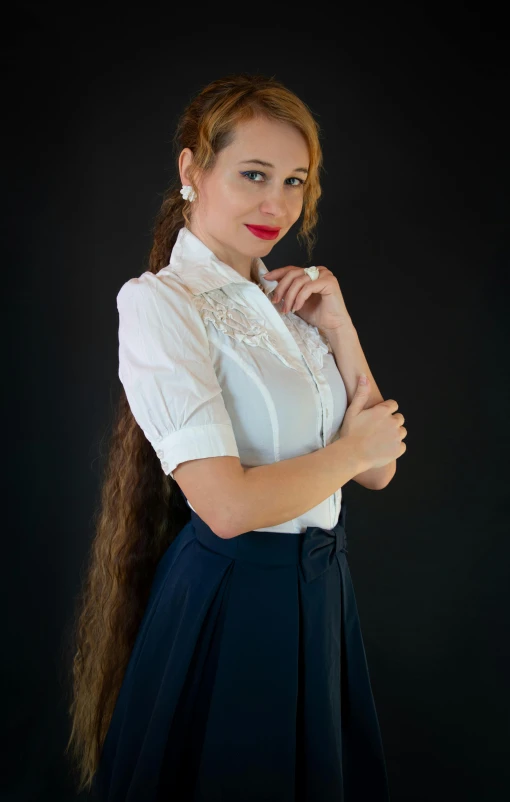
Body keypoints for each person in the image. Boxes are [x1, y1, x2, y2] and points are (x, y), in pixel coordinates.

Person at [65, 72, 406, 801]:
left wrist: (340, 327)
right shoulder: (161, 304)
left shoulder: (294, 302)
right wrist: (351, 453)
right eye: (254, 175)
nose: (276, 204)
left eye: (293, 181)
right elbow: (225, 506)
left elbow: (381, 470)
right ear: (193, 170)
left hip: (321, 595)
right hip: (233, 598)